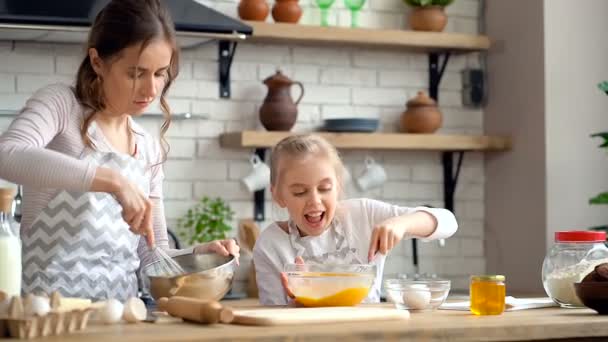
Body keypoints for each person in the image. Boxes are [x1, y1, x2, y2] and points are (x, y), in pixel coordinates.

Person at [0, 0, 238, 301]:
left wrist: (198, 254)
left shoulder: (148, 148)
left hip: (122, 320)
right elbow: (6, 154)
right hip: (50, 319)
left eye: (160, 73)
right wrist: (112, 181)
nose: (151, 90)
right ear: (98, 62)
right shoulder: (61, 106)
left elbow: (154, 258)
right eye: (136, 74)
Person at [252, 134, 458, 305]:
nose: (314, 201)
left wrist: (402, 223)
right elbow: (271, 322)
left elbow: (448, 223)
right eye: (299, 192)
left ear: (338, 185)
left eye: (324, 188)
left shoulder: (363, 215)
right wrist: (299, 304)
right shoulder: (271, 244)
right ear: (278, 195)